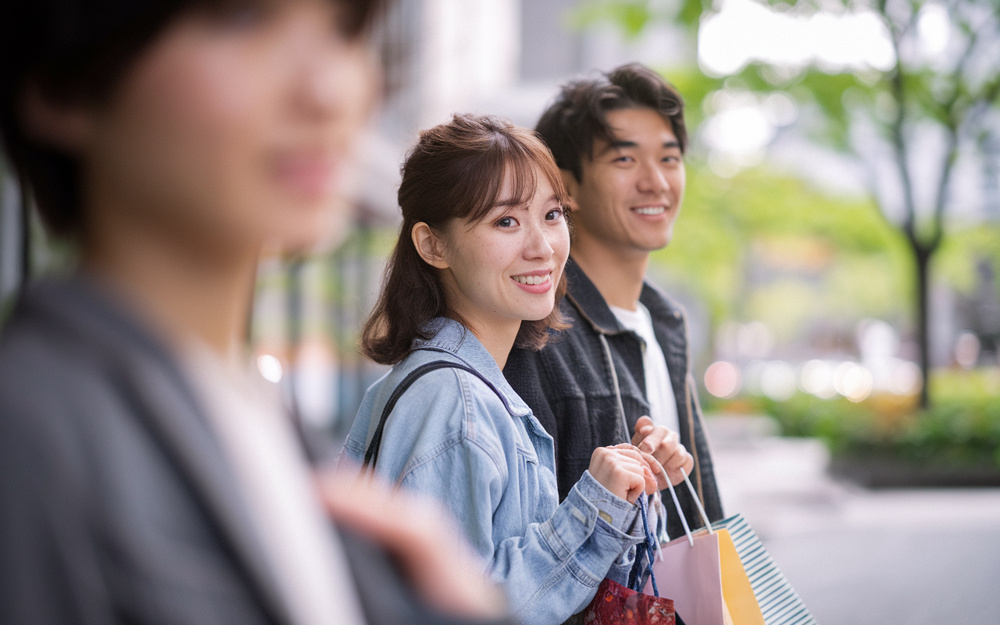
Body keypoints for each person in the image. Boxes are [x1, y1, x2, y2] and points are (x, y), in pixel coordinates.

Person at [0, 1, 511, 624]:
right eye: (240, 18)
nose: (329, 92)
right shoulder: (30, 437)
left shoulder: (251, 414)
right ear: (63, 82)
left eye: (346, 31)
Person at [340, 113, 693, 625]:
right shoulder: (455, 402)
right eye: (506, 221)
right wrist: (592, 504)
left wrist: (627, 491)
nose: (542, 247)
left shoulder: (455, 385)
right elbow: (461, 611)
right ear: (432, 244)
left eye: (552, 214)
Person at [504, 63, 725, 541]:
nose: (656, 182)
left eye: (669, 158)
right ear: (565, 189)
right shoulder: (537, 331)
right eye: (625, 159)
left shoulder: (664, 322)